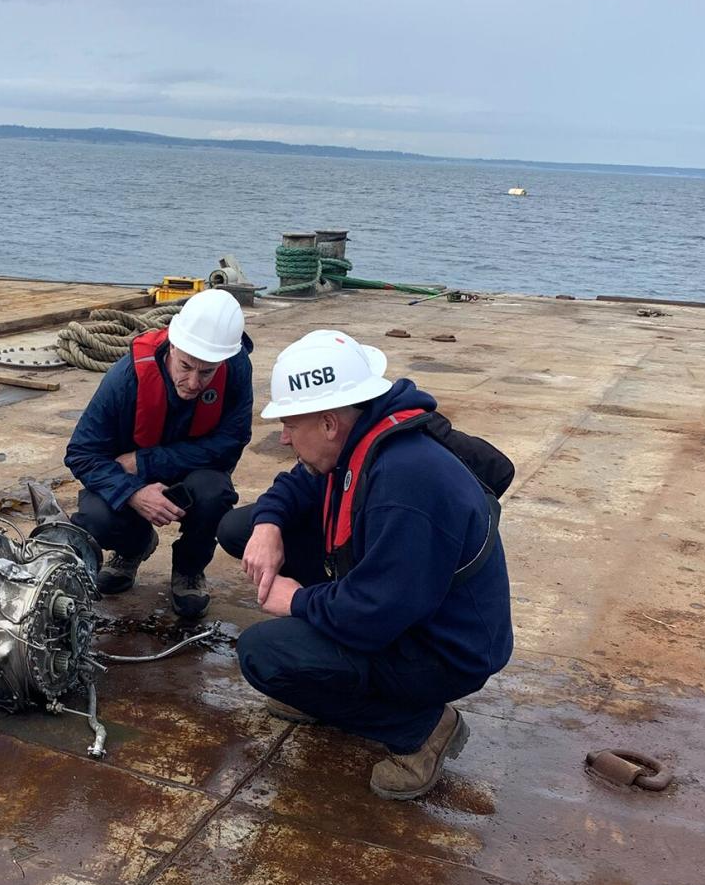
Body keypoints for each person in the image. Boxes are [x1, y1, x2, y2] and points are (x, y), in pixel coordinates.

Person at [217, 329, 513, 799]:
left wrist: (297, 600)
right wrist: (268, 525)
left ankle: (422, 728)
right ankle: (326, 687)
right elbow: (298, 485)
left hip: (445, 650)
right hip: (404, 603)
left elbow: (374, 614)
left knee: (264, 655)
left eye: (292, 426)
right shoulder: (364, 436)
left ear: (330, 423)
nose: (285, 437)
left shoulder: (405, 484)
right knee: (241, 527)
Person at [65, 289, 253, 617]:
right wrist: (133, 494)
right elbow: (82, 452)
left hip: (188, 471)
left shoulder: (236, 370)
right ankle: (133, 548)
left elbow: (231, 442)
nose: (193, 382)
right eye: (185, 366)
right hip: (129, 476)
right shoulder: (125, 379)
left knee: (215, 494)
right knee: (96, 518)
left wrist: (148, 460)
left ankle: (189, 570)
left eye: (206, 372)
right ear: (173, 345)